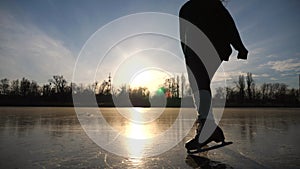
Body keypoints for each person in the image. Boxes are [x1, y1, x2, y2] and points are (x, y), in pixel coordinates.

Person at [179, 0, 248, 151]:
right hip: (196, 50)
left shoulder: (210, 3)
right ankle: (209, 128)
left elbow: (228, 24)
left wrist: (240, 46)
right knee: (200, 85)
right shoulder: (186, 8)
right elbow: (182, 35)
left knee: (200, 84)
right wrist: (187, 55)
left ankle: (208, 128)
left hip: (212, 46)